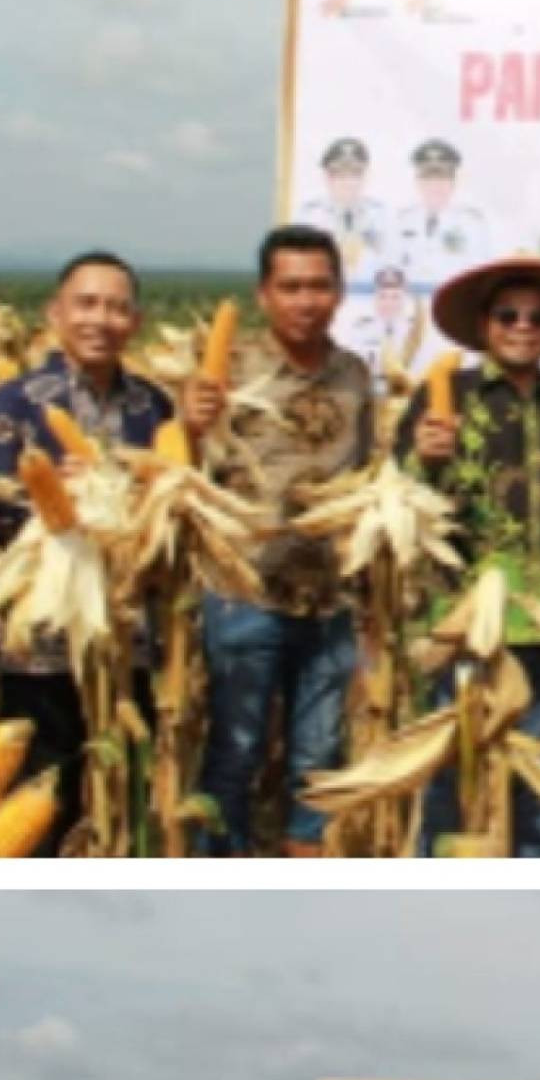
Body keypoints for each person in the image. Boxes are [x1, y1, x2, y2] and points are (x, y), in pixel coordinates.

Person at [393, 254, 540, 855]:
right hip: (464, 624)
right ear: (485, 324)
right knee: (452, 786)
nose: (523, 326)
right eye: (508, 314)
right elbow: (400, 500)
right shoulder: (443, 399)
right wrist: (424, 460)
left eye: (538, 317)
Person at [0, 251, 181, 851]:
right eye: (86, 304)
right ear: (55, 314)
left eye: (116, 307)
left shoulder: (153, 407)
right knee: (41, 798)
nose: (100, 319)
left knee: (122, 786)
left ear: (134, 321)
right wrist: (56, 503)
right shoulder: (13, 402)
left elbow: (171, 504)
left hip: (127, 638)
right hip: (43, 640)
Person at [186, 226, 375, 857]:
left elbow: (368, 476)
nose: (306, 300)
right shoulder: (225, 369)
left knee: (318, 766)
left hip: (329, 601)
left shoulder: (354, 375)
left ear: (340, 293)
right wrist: (189, 426)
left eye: (320, 285)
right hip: (242, 593)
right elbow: (181, 474)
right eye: (291, 287)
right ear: (264, 294)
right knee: (234, 753)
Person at [393, 140, 491, 295]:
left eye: (441, 179)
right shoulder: (401, 221)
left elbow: (479, 275)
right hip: (411, 307)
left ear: (453, 183)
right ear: (418, 182)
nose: (435, 186)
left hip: (454, 303)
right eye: (428, 179)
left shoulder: (471, 224)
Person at [296, 138, 390, 292]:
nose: (348, 183)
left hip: (371, 302)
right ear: (327, 178)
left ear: (365, 177)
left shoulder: (382, 217)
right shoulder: (308, 218)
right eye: (340, 176)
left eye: (355, 175)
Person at [346, 265, 423, 394]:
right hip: (371, 393)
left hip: (407, 394)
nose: (388, 303)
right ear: (375, 298)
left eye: (395, 297)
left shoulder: (414, 331)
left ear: (404, 299)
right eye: (382, 296)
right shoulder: (361, 330)